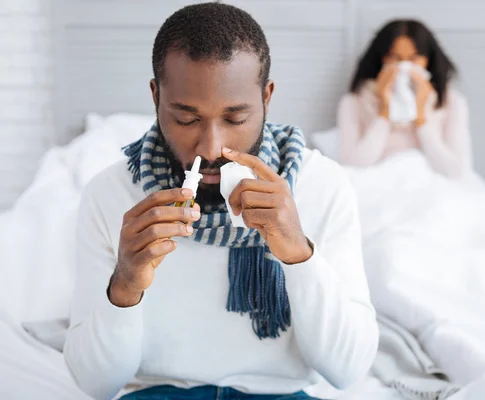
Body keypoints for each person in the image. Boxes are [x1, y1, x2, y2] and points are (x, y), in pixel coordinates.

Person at [64, 3, 378, 400]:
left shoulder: (322, 186)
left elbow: (347, 370)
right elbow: (96, 385)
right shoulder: (111, 195)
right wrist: (125, 283)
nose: (211, 147)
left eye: (234, 119)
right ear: (156, 96)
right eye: (186, 119)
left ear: (266, 97)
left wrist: (299, 253)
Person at [338, 19, 472, 178]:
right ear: (381, 59)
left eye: (414, 58)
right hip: (377, 185)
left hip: (431, 187)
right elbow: (351, 167)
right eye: (394, 57)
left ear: (428, 59)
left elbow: (456, 172)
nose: (403, 66)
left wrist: (421, 117)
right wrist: (384, 113)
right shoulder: (354, 102)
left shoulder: (451, 102)